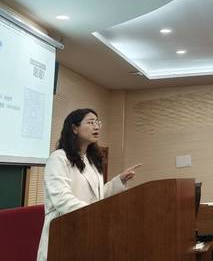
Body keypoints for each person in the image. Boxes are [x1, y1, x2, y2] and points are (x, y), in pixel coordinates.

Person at [37, 109, 141, 261]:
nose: (96, 126)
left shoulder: (91, 160)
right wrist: (94, 214)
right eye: (91, 122)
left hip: (88, 229)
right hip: (63, 231)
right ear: (74, 128)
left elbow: (97, 197)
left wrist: (120, 180)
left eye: (98, 122)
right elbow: (61, 198)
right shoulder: (58, 158)